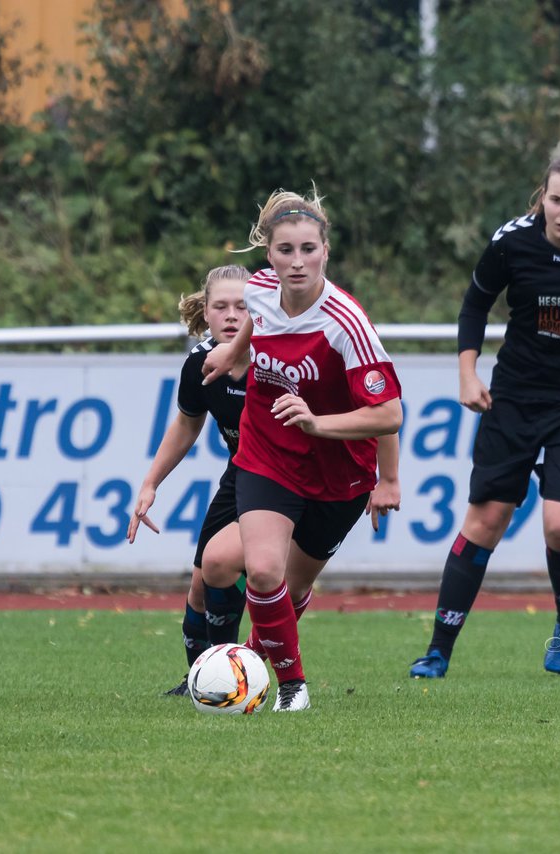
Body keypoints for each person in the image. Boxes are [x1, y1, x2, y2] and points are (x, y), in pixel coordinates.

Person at [407, 150, 560, 679]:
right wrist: (468, 374)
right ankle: (438, 651)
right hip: (516, 396)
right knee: (486, 521)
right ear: (542, 196)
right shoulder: (512, 241)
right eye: (556, 199)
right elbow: (475, 305)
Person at [201, 187, 403, 712]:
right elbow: (256, 321)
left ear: (325, 252)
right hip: (267, 453)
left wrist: (327, 429)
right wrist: (233, 352)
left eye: (308, 249)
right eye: (285, 250)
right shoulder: (262, 289)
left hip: (340, 475)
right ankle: (293, 685)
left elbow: (390, 414)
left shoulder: (347, 323)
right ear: (268, 255)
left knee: (289, 588)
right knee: (264, 571)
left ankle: (248, 662)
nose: (297, 261)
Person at [126, 265, 253, 696]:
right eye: (221, 306)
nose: (232, 315)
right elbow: (186, 424)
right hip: (242, 473)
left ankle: (233, 677)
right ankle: (203, 679)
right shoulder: (200, 363)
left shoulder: (276, 359)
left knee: (233, 569)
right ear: (207, 311)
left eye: (242, 306)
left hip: (288, 478)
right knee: (200, 584)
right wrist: (150, 483)